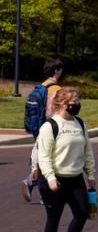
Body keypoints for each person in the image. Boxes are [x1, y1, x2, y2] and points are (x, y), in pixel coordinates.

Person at [36, 87, 95, 232]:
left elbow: (87, 151)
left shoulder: (79, 123)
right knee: (54, 217)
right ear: (62, 103)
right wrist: (51, 178)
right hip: (54, 180)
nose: (76, 104)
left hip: (75, 177)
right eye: (73, 101)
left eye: (77, 101)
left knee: (83, 212)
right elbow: (43, 156)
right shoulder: (50, 126)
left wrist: (90, 174)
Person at [22, 58, 64, 203]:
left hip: (39, 128)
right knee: (50, 160)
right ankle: (36, 185)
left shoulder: (41, 87)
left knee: (43, 158)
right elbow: (56, 112)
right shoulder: (57, 89)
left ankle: (33, 182)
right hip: (51, 128)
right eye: (60, 69)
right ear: (56, 71)